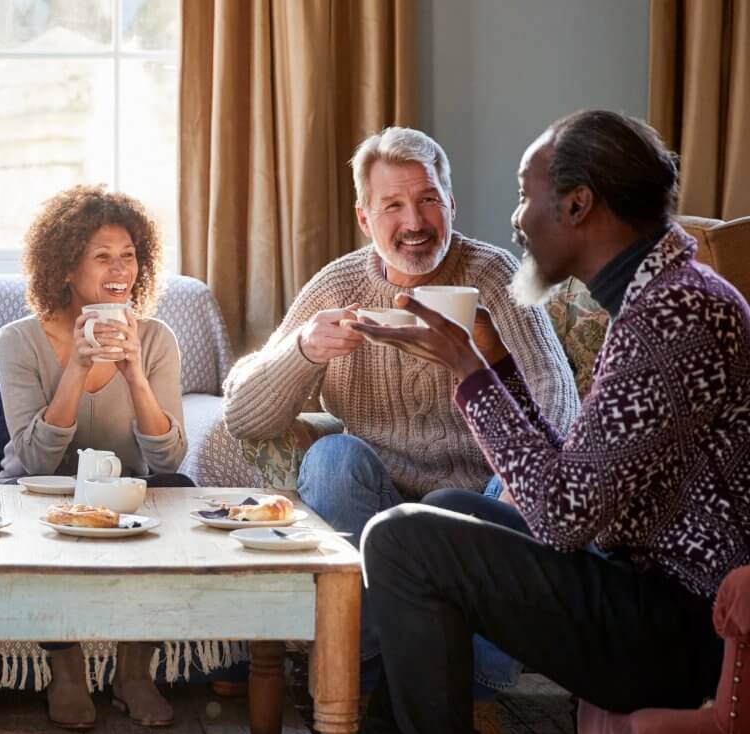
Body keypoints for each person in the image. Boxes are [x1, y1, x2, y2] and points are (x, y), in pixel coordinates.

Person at [347, 110, 750, 734]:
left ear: (578, 204)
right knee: (445, 507)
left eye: (523, 193)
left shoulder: (677, 313)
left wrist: (469, 374)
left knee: (399, 539)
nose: (516, 217)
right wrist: (496, 363)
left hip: (687, 628)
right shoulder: (662, 299)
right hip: (649, 595)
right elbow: (576, 480)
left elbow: (562, 516)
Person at [222, 127, 579, 688]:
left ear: (451, 203)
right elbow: (243, 413)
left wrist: (521, 478)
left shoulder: (494, 276)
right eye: (393, 205)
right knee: (332, 459)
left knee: (492, 501)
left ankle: (469, 693)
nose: (414, 223)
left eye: (428, 200)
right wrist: (304, 351)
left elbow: (558, 396)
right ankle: (363, 679)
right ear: (365, 218)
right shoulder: (340, 283)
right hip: (378, 504)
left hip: (475, 501)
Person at [0, 185, 190, 730]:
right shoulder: (19, 340)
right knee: (19, 507)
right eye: (101, 256)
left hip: (124, 488)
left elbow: (168, 455)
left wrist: (133, 374)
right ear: (64, 267)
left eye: (128, 255)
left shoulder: (155, 339)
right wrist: (76, 370)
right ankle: (68, 668)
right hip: (39, 490)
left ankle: (134, 670)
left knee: (179, 488)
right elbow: (31, 459)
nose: (119, 269)